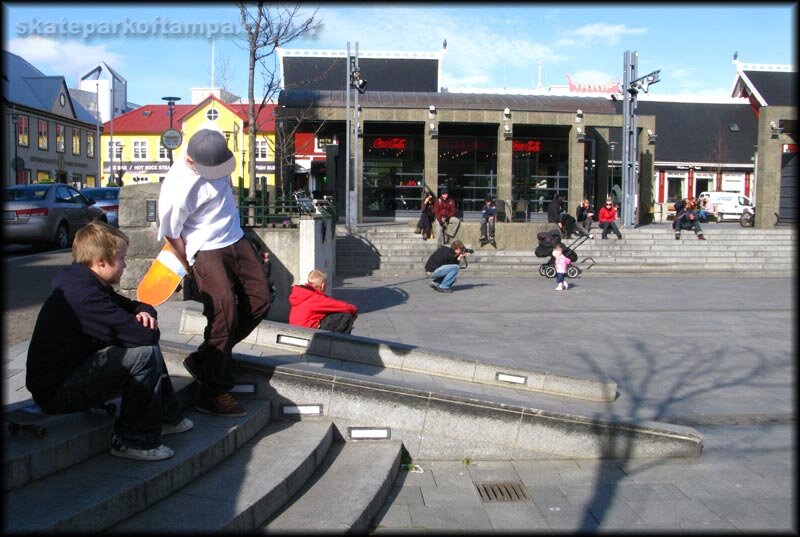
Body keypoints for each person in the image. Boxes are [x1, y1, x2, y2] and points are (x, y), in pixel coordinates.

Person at [26, 221, 192, 462]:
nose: (125, 264)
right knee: (144, 353)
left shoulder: (87, 282)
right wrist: (144, 322)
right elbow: (144, 335)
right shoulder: (83, 296)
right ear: (101, 261)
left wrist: (145, 313)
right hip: (57, 391)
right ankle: (131, 440)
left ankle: (167, 417)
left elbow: (138, 307)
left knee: (145, 346)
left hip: (76, 371)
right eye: (122, 258)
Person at [158, 126, 271, 418]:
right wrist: (189, 265)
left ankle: (205, 360)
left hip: (235, 237)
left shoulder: (215, 152)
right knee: (225, 312)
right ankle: (212, 391)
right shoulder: (176, 188)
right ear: (192, 162)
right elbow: (171, 234)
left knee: (261, 300)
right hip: (204, 247)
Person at [288, 269, 358, 334]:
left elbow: (328, 301)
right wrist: (354, 310)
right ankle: (339, 342)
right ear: (323, 285)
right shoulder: (316, 298)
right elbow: (345, 307)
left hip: (295, 330)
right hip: (307, 332)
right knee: (345, 316)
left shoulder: (302, 293)